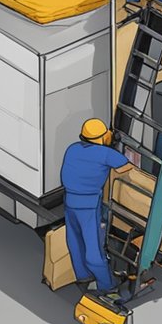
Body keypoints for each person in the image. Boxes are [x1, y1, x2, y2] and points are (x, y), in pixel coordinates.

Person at [60, 119, 133, 296]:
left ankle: (83, 276)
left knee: (75, 242)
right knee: (93, 249)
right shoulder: (105, 154)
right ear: (101, 138)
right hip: (88, 206)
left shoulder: (72, 148)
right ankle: (107, 285)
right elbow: (126, 167)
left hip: (70, 202)